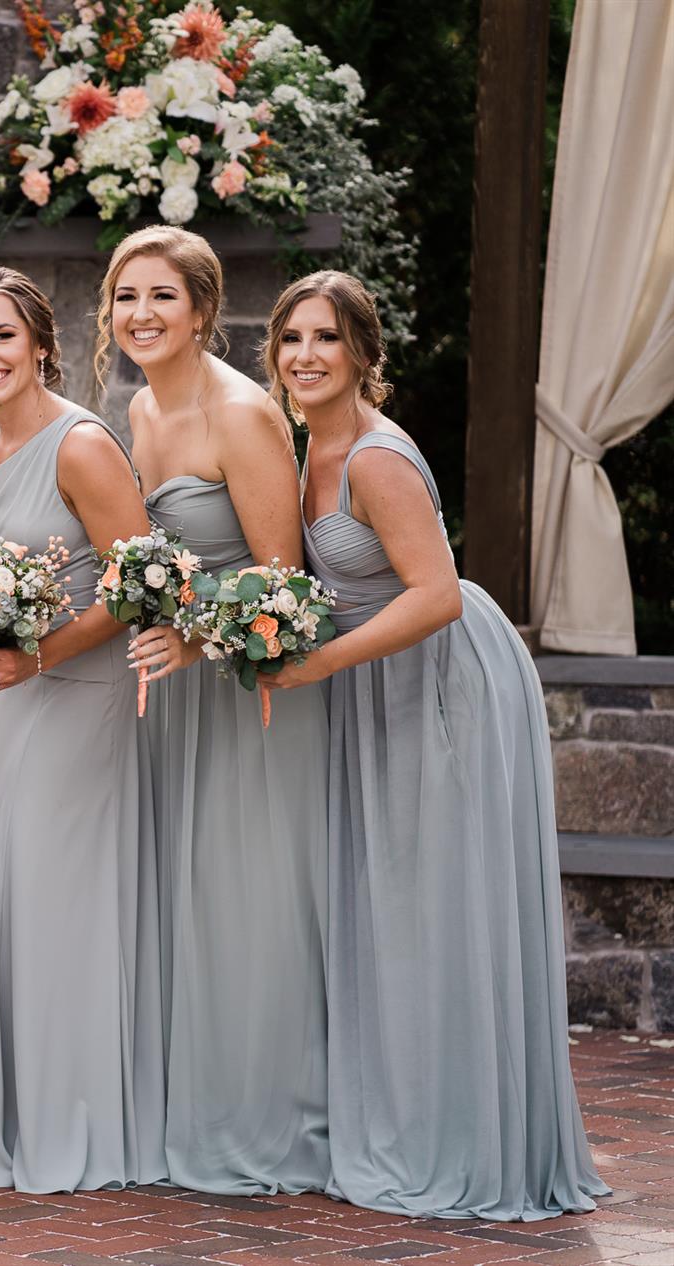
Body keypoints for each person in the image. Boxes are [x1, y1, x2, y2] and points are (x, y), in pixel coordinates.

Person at [264, 270, 609, 1220]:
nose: (305, 356)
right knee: (391, 909)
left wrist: (319, 662)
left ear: (363, 353)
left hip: (443, 683)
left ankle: (462, 1143)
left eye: (326, 338)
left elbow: (437, 594)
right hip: (375, 683)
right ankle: (407, 1119)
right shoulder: (308, 444)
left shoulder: (376, 459)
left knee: (436, 907)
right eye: (291, 338)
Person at [112, 226, 331, 1195]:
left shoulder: (241, 415)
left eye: (162, 296)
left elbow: (286, 587)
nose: (142, 314)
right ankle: (194, 1108)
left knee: (251, 903)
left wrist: (198, 640)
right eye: (126, 297)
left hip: (249, 693)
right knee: (191, 901)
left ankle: (267, 1122)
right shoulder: (138, 407)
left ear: (202, 310)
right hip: (177, 699)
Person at [0, 267, 167, 1193]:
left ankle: (70, 1126)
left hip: (79, 696)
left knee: (57, 904)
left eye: (3, 336)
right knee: (8, 901)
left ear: (41, 344)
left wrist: (36, 661)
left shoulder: (80, 446)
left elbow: (137, 585)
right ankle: (14, 1117)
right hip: (11, 703)